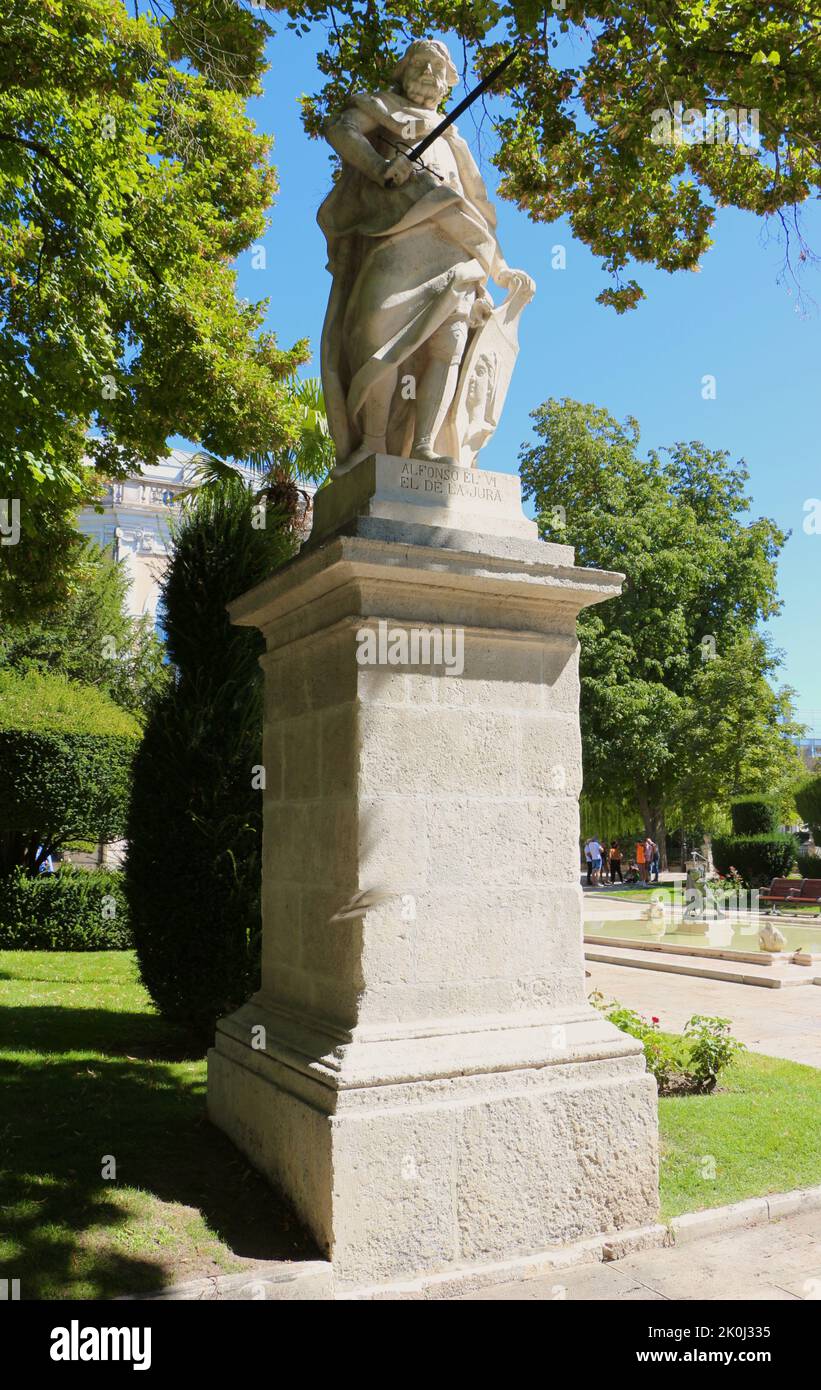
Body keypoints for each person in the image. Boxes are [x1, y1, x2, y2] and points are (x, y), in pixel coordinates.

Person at [318, 38, 535, 471]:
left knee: (447, 343)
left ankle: (424, 448)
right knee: (378, 330)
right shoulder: (383, 107)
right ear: (404, 70)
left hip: (454, 249)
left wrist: (500, 268)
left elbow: (477, 213)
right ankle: (374, 445)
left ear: (447, 84)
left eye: (438, 69)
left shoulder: (454, 139)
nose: (428, 74)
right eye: (420, 64)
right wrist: (379, 169)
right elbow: (340, 130)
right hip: (396, 240)